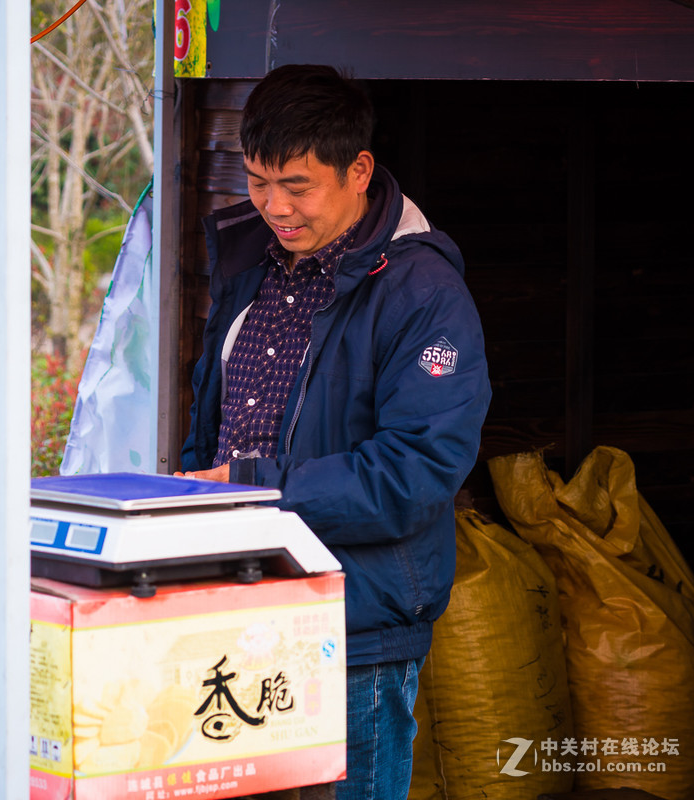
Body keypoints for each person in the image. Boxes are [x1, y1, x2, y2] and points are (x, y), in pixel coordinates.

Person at [177, 65, 491, 799]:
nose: (273, 206)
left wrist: (251, 490)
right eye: (257, 181)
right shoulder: (252, 263)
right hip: (236, 608)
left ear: (358, 170)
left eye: (296, 185)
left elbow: (412, 473)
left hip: (354, 627)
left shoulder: (424, 295)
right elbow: (214, 421)